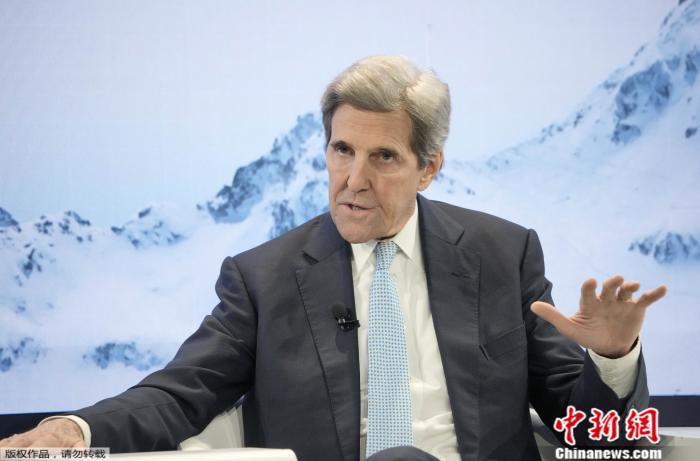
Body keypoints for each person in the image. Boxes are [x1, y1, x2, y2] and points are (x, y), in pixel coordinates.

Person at [0, 55, 667, 461]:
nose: (353, 179)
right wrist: (73, 429)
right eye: (342, 150)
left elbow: (596, 437)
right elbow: (179, 392)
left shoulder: (502, 255)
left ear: (428, 167)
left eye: (383, 157)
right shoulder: (261, 279)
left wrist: (611, 358)